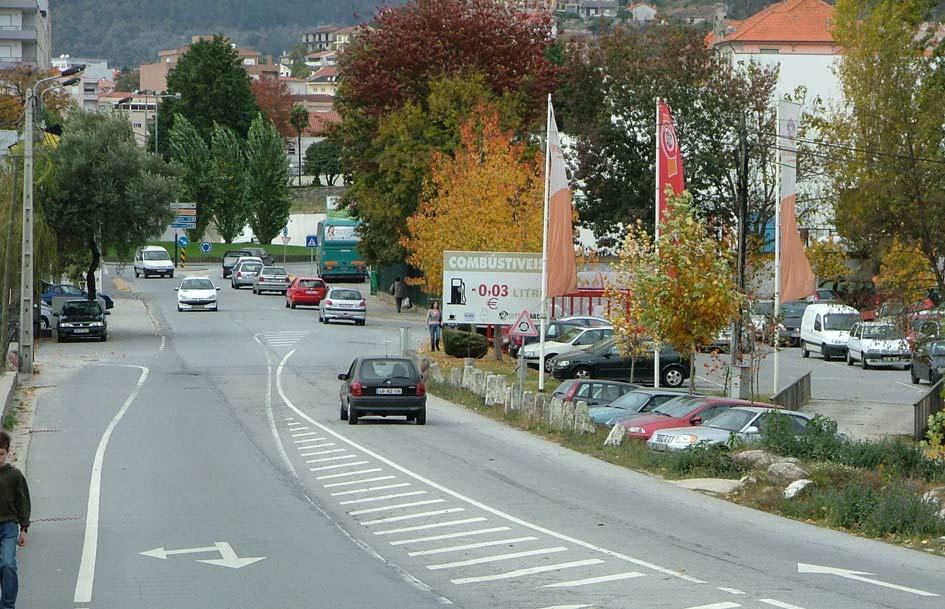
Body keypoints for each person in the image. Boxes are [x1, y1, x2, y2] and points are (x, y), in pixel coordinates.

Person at [0, 431, 29, 609]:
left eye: (1, 453)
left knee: (8, 564)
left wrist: (24, 529)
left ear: (7, 453)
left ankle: (7, 605)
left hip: (9, 526)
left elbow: (23, 501)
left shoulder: (14, 475)